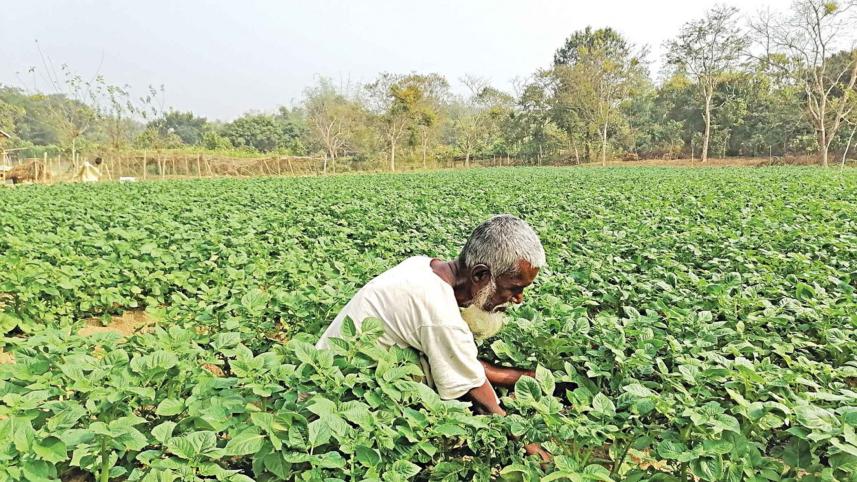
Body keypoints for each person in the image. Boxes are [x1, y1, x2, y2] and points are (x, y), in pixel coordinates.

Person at [316, 214, 551, 462]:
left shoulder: (423, 265)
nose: (518, 299)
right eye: (514, 288)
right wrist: (535, 453)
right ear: (480, 275)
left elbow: (461, 359)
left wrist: (531, 379)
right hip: (334, 405)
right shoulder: (440, 315)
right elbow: (483, 402)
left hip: (332, 375)